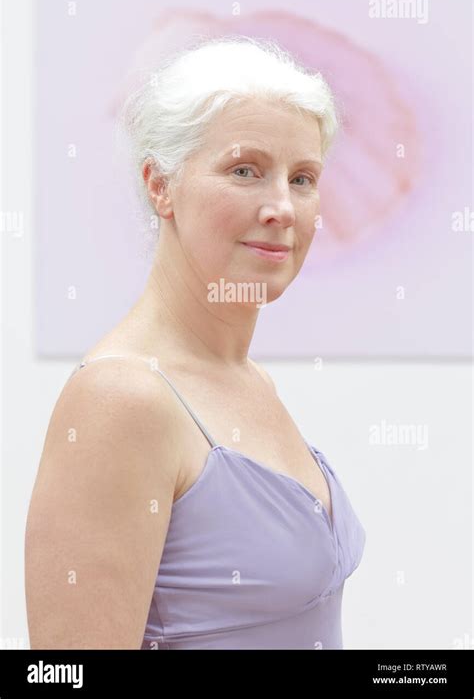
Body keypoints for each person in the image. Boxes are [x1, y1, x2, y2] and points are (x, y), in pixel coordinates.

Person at [25, 36, 366, 649]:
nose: (283, 207)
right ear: (161, 185)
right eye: (245, 171)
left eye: (304, 178)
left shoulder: (249, 378)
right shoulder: (121, 399)